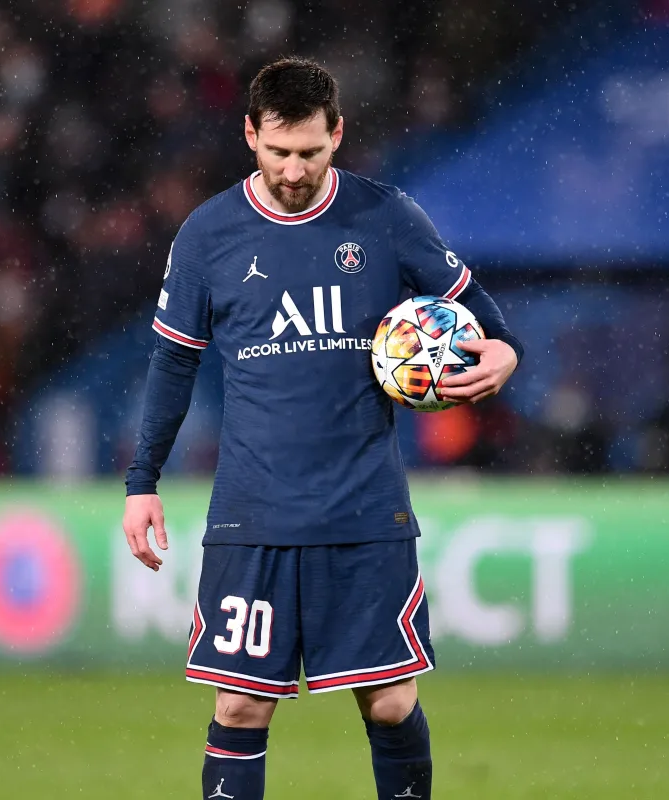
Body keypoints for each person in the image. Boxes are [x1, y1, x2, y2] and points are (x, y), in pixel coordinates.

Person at [122, 57, 522, 800]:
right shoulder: (208, 235)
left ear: (338, 133)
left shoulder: (385, 216)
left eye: (311, 150)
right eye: (279, 151)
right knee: (239, 705)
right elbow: (171, 366)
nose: (296, 168)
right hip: (254, 516)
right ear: (250, 135)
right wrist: (141, 481)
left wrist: (502, 352)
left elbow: (486, 320)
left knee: (391, 701)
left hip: (364, 511)